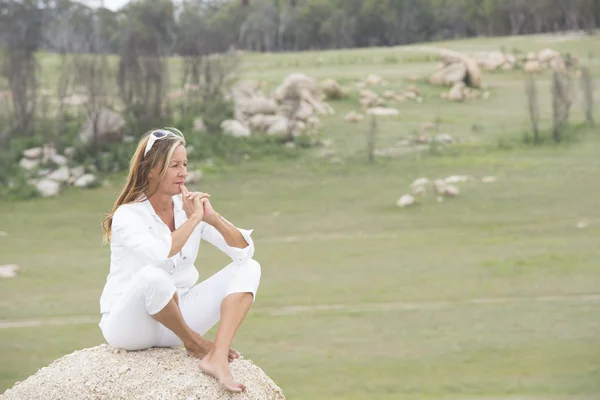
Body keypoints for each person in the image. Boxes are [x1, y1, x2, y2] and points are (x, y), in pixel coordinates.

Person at [99, 128, 261, 393]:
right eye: (174, 165)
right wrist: (195, 219)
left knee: (249, 268)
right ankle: (195, 344)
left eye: (184, 164)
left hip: (178, 318)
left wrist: (212, 218)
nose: (183, 172)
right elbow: (160, 255)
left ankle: (217, 357)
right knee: (154, 276)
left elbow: (244, 251)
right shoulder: (127, 215)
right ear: (151, 169)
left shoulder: (187, 208)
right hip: (131, 325)